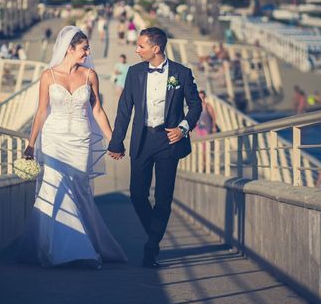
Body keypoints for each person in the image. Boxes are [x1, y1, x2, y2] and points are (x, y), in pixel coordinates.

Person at [18, 26, 127, 268]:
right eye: (84, 48)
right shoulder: (49, 76)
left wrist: (114, 139)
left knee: (79, 191)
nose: (88, 53)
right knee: (53, 188)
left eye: (88, 48)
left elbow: (97, 110)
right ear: (69, 48)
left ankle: (81, 245)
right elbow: (41, 111)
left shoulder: (90, 76)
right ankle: (60, 251)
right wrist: (30, 144)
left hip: (80, 139)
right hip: (54, 139)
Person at [108, 27, 202, 268]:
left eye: (141, 46)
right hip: (142, 139)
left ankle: (151, 249)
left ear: (155, 48)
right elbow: (124, 109)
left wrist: (183, 128)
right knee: (137, 194)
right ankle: (155, 233)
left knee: (163, 197)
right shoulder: (134, 72)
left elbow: (195, 106)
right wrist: (116, 142)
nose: (136, 49)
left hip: (169, 140)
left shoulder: (181, 73)